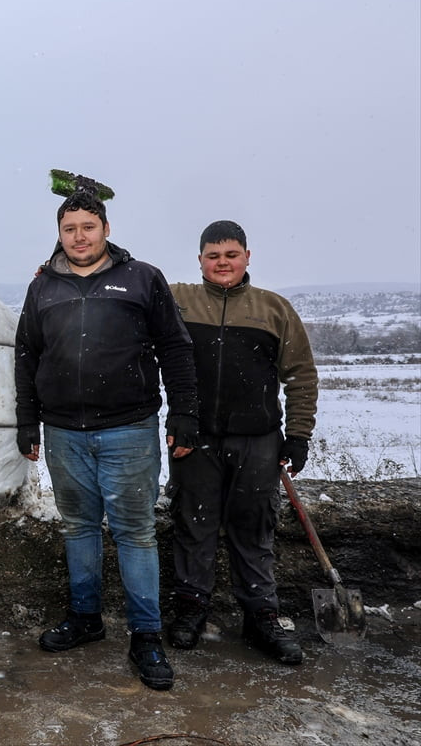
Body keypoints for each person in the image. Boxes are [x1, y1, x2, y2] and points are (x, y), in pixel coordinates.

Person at [14, 173, 199, 691]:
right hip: (64, 432)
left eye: (87, 227)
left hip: (129, 429)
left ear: (105, 228)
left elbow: (176, 348)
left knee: (135, 532)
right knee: (78, 526)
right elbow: (26, 354)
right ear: (59, 232)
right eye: (69, 228)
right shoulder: (42, 287)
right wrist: (28, 420)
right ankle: (86, 617)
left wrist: (185, 412)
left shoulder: (142, 278)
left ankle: (146, 635)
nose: (79, 237)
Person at [165, 220, 317, 665]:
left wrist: (299, 436)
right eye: (213, 256)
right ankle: (192, 607)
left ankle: (261, 615)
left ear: (247, 257)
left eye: (231, 255)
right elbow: (125, 278)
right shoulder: (178, 300)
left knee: (254, 527)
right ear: (200, 261)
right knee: (193, 523)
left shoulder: (273, 309)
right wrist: (53, 267)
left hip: (258, 440)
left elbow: (301, 375)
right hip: (194, 438)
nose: (222, 263)